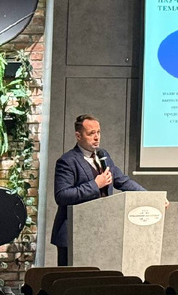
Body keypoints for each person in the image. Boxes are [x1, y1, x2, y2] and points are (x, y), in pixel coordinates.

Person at [52, 114, 147, 266]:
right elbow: (62, 196)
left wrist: (149, 197)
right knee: (72, 278)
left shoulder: (104, 156)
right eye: (91, 133)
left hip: (99, 231)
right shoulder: (67, 161)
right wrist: (95, 184)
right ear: (78, 136)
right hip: (73, 233)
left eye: (98, 132)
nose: (96, 137)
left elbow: (122, 181)